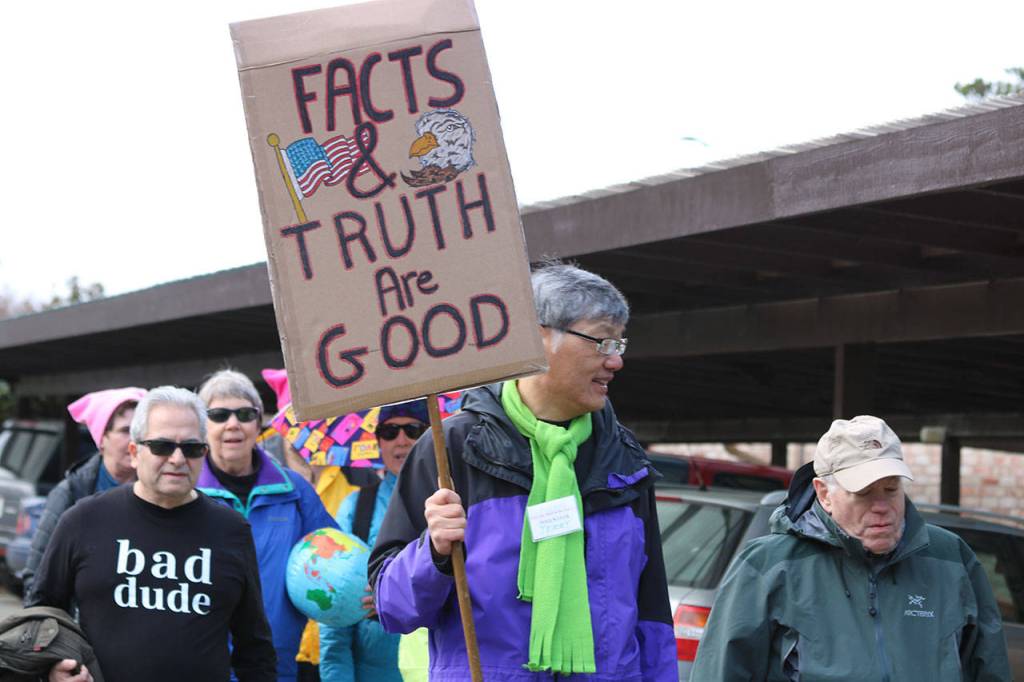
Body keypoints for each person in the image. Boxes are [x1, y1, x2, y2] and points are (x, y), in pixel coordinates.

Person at [369, 262, 676, 680]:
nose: (615, 361)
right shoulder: (454, 447)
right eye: (602, 341)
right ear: (538, 336)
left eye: (619, 344)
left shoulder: (622, 456)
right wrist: (434, 552)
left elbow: (652, 613)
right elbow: (392, 607)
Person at [690, 415, 1012, 681]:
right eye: (864, 493)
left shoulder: (951, 558)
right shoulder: (768, 566)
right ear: (824, 494)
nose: (882, 506)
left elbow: (989, 669)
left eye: (891, 489)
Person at [29, 386, 277, 682]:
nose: (177, 459)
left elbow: (255, 647)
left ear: (204, 453)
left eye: (191, 448)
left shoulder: (232, 531)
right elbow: (41, 614)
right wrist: (52, 670)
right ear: (135, 453)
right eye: (162, 446)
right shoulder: (83, 520)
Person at [196, 369, 339, 682]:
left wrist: (366, 587)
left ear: (258, 423)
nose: (233, 424)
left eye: (245, 414)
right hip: (201, 665)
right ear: (202, 426)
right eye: (219, 415)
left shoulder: (295, 490)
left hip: (276, 665)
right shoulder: (185, 492)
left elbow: (334, 557)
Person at [320, 401, 429, 682]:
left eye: (413, 430)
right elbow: (333, 610)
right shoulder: (357, 507)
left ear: (431, 434)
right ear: (378, 441)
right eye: (390, 431)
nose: (401, 440)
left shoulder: (455, 500)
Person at [24, 387, 146, 602]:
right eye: (125, 430)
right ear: (102, 438)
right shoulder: (71, 493)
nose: (134, 439)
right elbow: (37, 578)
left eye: (140, 431)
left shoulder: (158, 493)